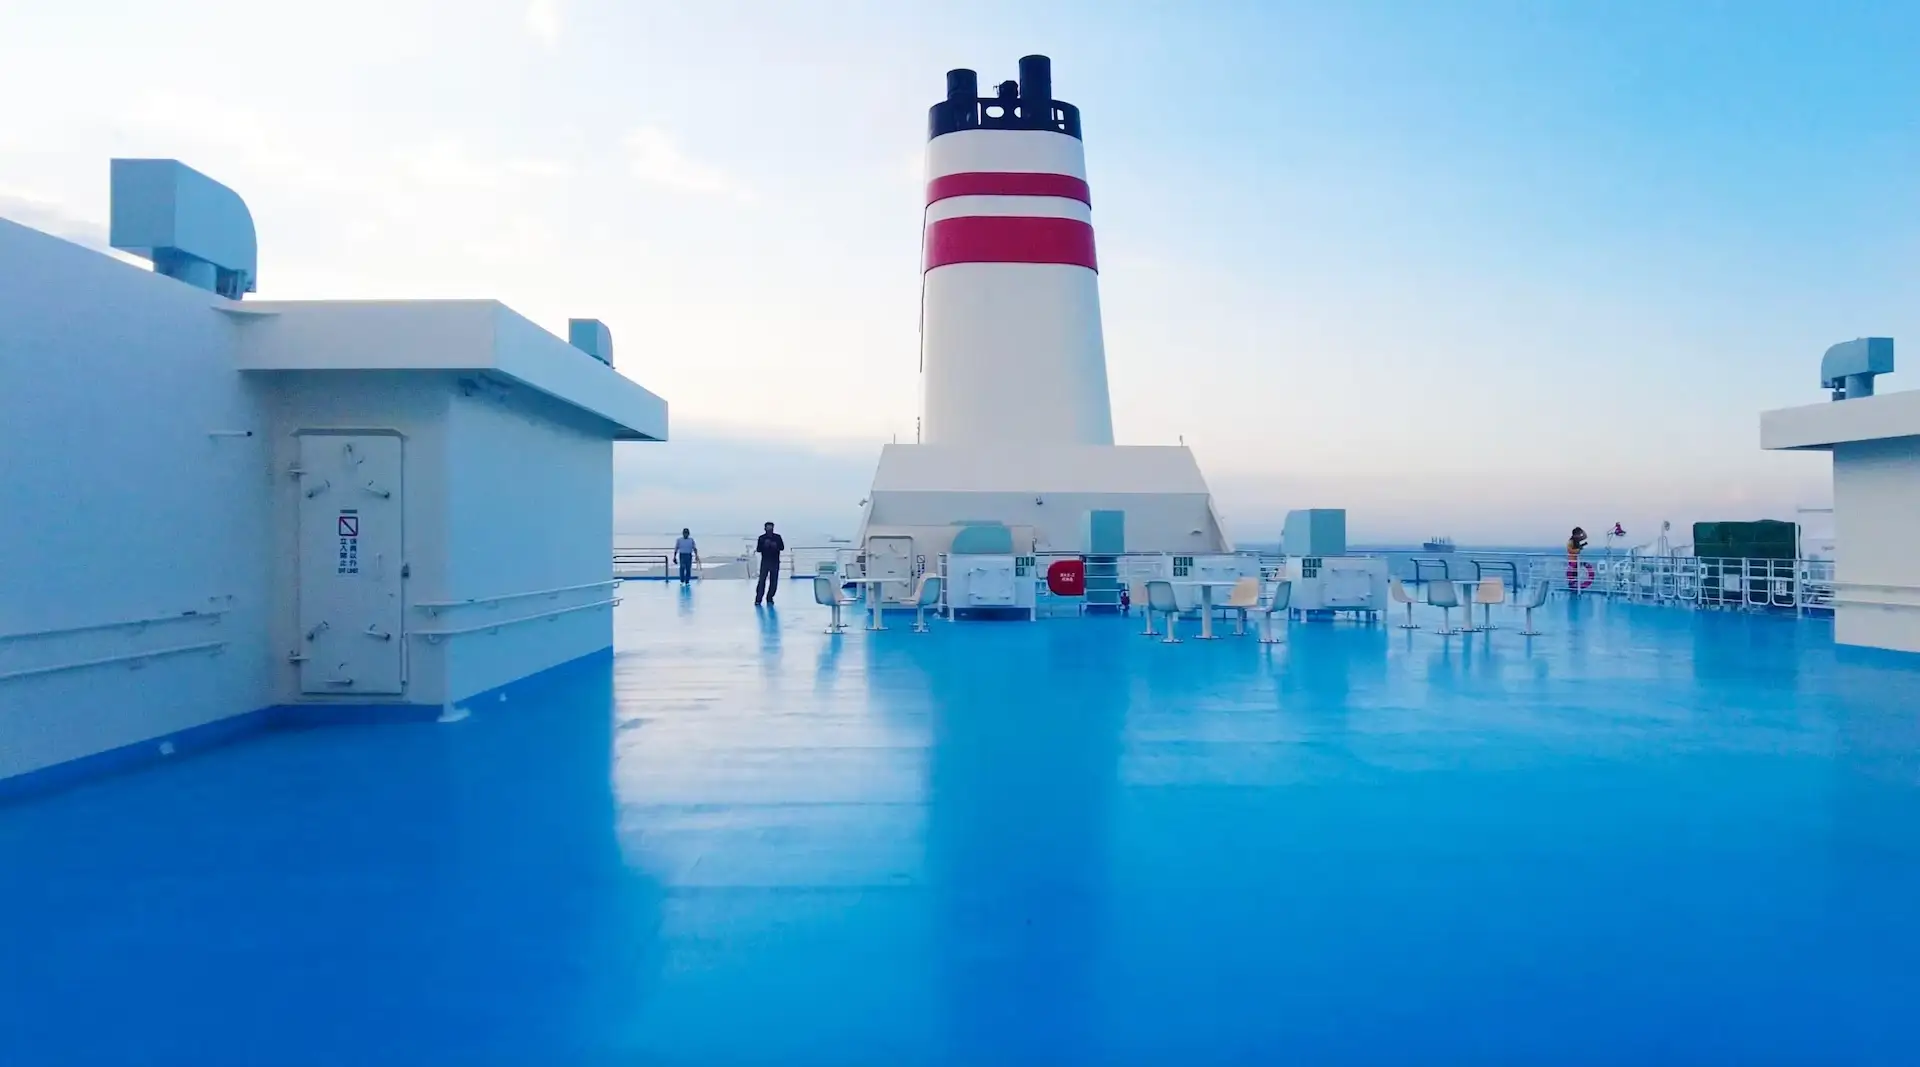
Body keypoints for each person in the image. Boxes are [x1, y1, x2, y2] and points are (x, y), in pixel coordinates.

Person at [753, 521, 785, 605]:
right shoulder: (761, 538)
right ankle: (758, 599)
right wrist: (764, 545)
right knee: (761, 580)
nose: (769, 529)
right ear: (765, 528)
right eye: (768, 527)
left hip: (775, 562)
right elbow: (758, 549)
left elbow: (782, 547)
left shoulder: (777, 537)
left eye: (771, 527)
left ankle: (770, 597)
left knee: (773, 581)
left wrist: (776, 546)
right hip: (765, 562)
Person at [1566, 526, 1589, 592]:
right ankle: (1572, 588)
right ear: (1575, 534)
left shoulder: (1577, 540)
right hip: (1572, 560)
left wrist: (1582, 530)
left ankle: (1575, 588)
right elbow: (1569, 550)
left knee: (1576, 574)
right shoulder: (1570, 541)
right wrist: (1578, 550)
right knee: (1572, 575)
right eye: (1578, 534)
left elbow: (1585, 536)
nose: (1580, 535)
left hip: (1577, 560)